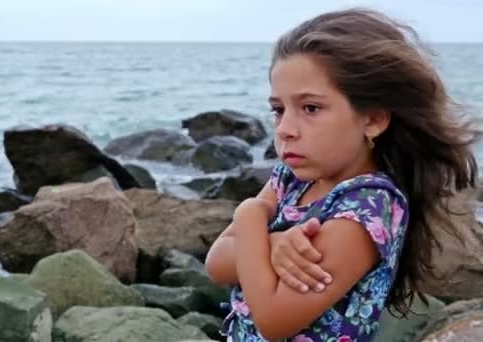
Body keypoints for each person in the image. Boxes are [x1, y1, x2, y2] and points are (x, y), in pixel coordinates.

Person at [205, 8, 480, 341]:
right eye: (279, 109)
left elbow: (273, 320)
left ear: (374, 119)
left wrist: (249, 214)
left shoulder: (368, 208)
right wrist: (275, 244)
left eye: (311, 108)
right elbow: (216, 263)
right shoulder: (292, 179)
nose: (285, 129)